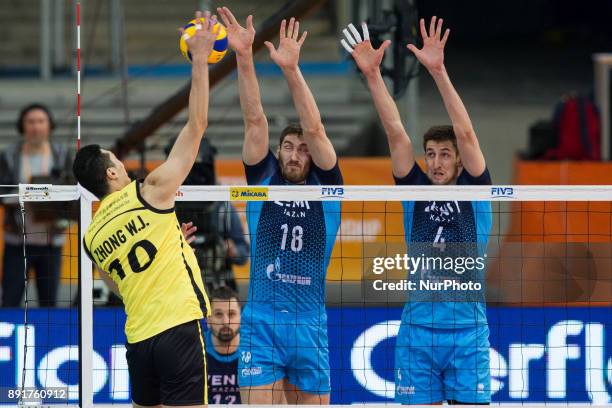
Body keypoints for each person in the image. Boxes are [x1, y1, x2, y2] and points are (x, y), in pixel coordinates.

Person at [344, 17, 492, 405]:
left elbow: (467, 133)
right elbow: (395, 131)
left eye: (445, 155)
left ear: (460, 162)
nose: (437, 162)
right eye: (431, 155)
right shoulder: (415, 192)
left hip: (467, 332)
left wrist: (438, 72)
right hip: (417, 332)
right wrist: (374, 75)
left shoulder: (477, 193)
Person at [73, 11, 216, 407]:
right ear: (112, 173)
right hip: (177, 328)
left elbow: (118, 284)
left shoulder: (92, 237)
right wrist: (200, 58)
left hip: (138, 340)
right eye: (115, 159)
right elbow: (197, 125)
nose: (121, 162)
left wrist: (172, 244)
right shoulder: (149, 192)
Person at [217, 7, 342, 404]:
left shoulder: (327, 188)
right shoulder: (265, 180)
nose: (294, 154)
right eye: (288, 147)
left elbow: (316, 129)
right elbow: (255, 120)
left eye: (301, 149)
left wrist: (291, 70)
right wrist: (242, 55)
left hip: (310, 323)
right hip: (261, 323)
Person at [0, 103, 74, 307]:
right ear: (22, 126)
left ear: (49, 126)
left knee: (49, 302)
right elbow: (1, 193)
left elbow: (72, 192)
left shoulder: (62, 154)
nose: (36, 126)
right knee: (10, 299)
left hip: (51, 241)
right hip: (17, 240)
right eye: (30, 122)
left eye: (41, 121)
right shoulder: (9, 155)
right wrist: (25, 195)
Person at [166, 138, 249, 292]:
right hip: (178, 289)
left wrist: (231, 249)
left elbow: (243, 255)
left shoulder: (223, 207)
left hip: (219, 288)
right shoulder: (163, 208)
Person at [205, 286, 242, 405]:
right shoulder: (195, 349)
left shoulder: (255, 350)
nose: (226, 322)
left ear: (241, 318)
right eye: (219, 314)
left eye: (231, 314)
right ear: (208, 320)